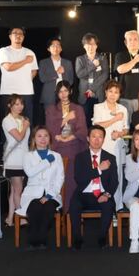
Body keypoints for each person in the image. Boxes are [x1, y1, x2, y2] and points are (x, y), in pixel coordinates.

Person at [69, 125, 119, 250]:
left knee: (108, 205)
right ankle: (77, 240)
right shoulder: (80, 157)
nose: (97, 140)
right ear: (88, 138)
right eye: (93, 136)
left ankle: (102, 238)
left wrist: (107, 194)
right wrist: (99, 169)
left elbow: (114, 181)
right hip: (84, 193)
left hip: (102, 193)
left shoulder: (110, 158)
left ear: (104, 139)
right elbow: (79, 179)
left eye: (100, 137)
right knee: (74, 205)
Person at [17, 126, 64, 250]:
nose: (43, 139)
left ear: (49, 139)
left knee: (48, 207)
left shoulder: (57, 156)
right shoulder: (28, 156)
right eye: (39, 136)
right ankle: (33, 240)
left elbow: (60, 178)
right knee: (35, 207)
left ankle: (41, 239)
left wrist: (49, 195)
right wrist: (46, 161)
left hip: (52, 193)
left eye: (46, 136)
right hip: (32, 193)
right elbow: (30, 173)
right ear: (34, 139)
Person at [44, 80, 87, 213]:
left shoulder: (78, 109)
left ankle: (72, 212)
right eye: (60, 91)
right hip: (58, 149)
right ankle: (58, 211)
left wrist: (71, 137)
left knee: (72, 181)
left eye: (66, 91)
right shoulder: (51, 109)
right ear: (57, 93)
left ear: (70, 91)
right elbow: (49, 130)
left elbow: (82, 130)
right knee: (58, 181)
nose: (63, 94)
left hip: (73, 147)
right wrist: (66, 119)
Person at [92, 80, 129, 210]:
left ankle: (117, 207)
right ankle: (101, 206)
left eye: (116, 92)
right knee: (102, 175)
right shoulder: (98, 107)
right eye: (110, 91)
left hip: (117, 147)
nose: (113, 95)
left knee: (117, 177)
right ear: (105, 92)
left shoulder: (123, 109)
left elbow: (126, 129)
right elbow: (97, 126)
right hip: (102, 147)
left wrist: (120, 133)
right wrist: (114, 119)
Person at [0, 27, 38, 125]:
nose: (18, 35)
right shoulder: (3, 51)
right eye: (15, 33)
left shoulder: (30, 52)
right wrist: (25, 61)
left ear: (23, 37)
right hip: (8, 91)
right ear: (10, 36)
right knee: (8, 122)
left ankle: (27, 136)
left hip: (26, 92)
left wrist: (25, 80)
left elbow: (34, 71)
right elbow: (8, 67)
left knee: (26, 121)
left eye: (21, 34)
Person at [2, 94, 30, 227]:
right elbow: (18, 137)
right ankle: (22, 218)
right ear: (9, 105)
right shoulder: (7, 120)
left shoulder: (23, 119)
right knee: (18, 190)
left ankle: (10, 218)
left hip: (23, 159)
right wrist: (25, 126)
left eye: (21, 104)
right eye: (16, 104)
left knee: (14, 190)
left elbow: (26, 141)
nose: (20, 107)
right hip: (13, 160)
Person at [75, 33, 109, 129]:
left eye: (93, 44)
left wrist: (92, 89)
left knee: (99, 121)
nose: (90, 47)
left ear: (96, 45)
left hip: (98, 93)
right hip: (84, 94)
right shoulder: (80, 59)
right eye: (88, 45)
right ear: (84, 46)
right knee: (85, 121)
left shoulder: (102, 58)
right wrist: (93, 65)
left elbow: (105, 75)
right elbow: (80, 74)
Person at [37, 38, 74, 124]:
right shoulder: (43, 62)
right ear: (48, 49)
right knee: (50, 121)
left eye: (58, 45)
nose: (56, 48)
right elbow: (42, 78)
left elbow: (71, 80)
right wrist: (57, 73)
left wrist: (65, 90)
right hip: (49, 95)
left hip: (64, 95)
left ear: (61, 48)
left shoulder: (68, 63)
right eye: (53, 46)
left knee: (65, 120)